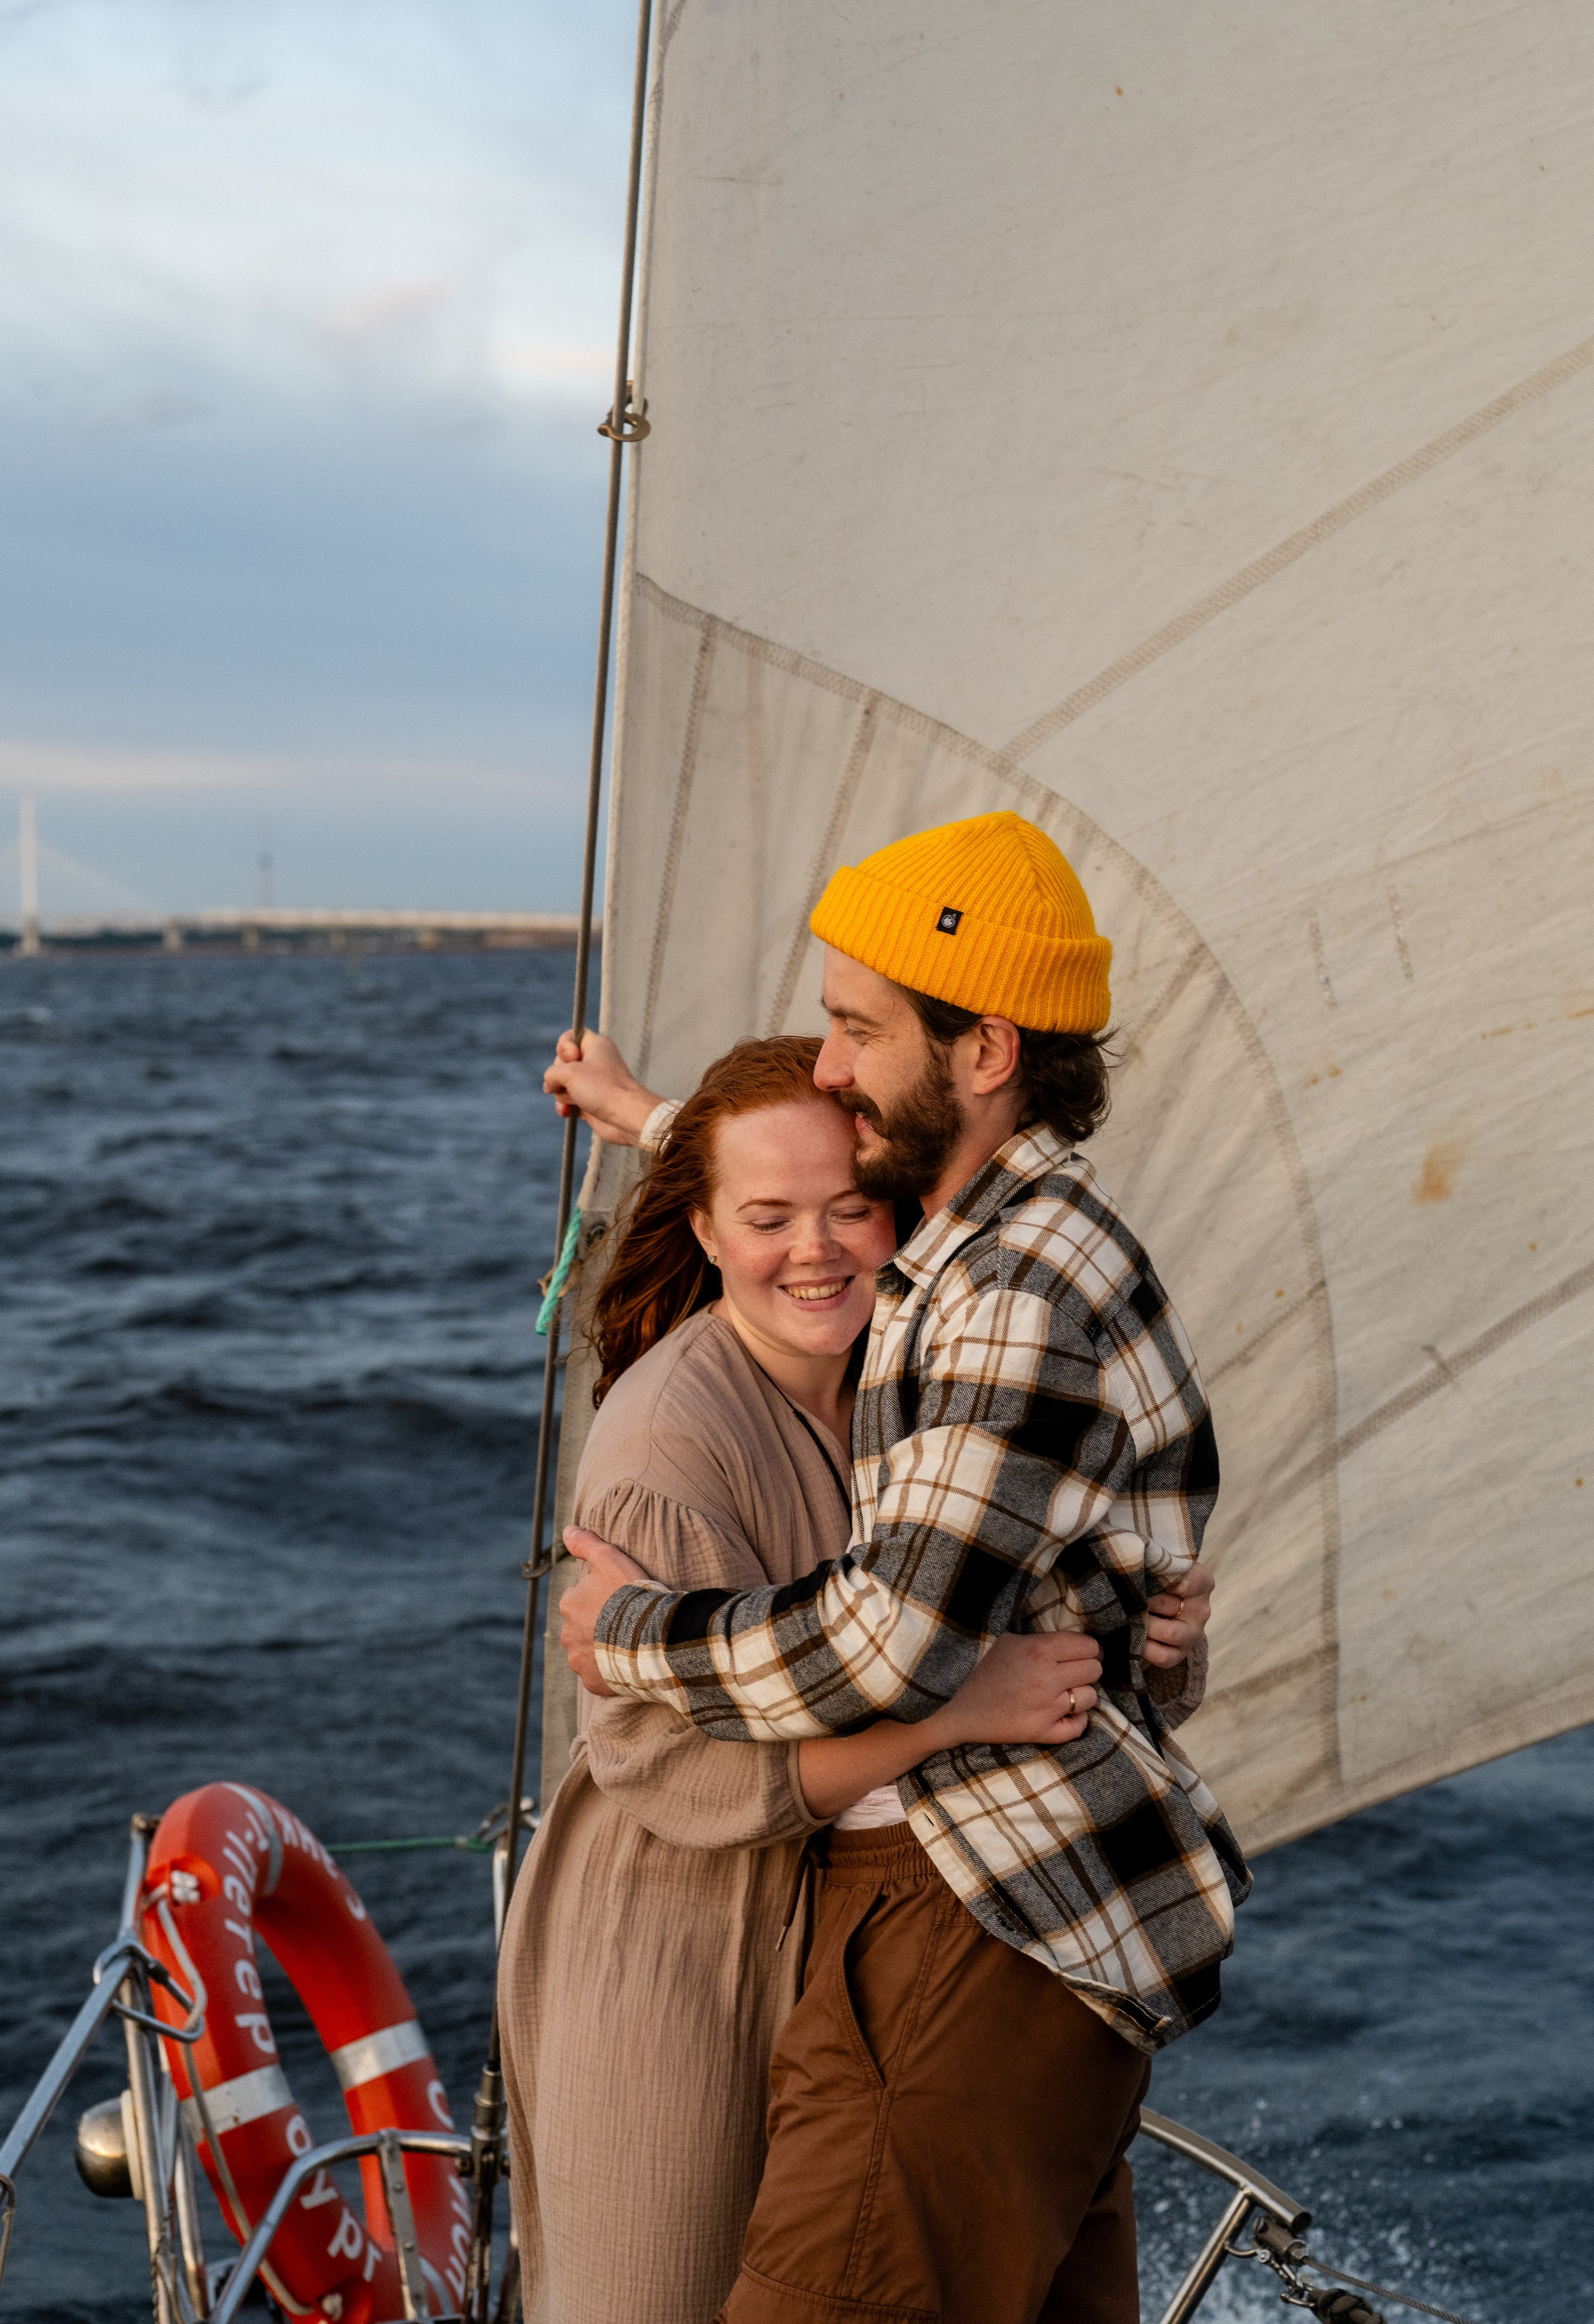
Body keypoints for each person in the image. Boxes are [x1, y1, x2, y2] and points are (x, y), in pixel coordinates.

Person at [552, 809, 1244, 2324]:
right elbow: (799, 1186)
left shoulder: (1001, 1295)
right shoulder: (992, 1229)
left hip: (973, 1909)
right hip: (1042, 1917)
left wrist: (626, 1634)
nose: (830, 1063)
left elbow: (884, 1649)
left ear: (982, 1049)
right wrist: (645, 1115)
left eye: (857, 1027)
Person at [498, 1034, 1126, 2324]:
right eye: (769, 1216)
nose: (817, 1248)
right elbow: (674, 1764)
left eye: (851, 1207)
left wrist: (1144, 1614)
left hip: (855, 1927)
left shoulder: (905, 1367)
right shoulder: (668, 1437)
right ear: (708, 1228)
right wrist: (954, 1708)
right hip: (676, 1940)